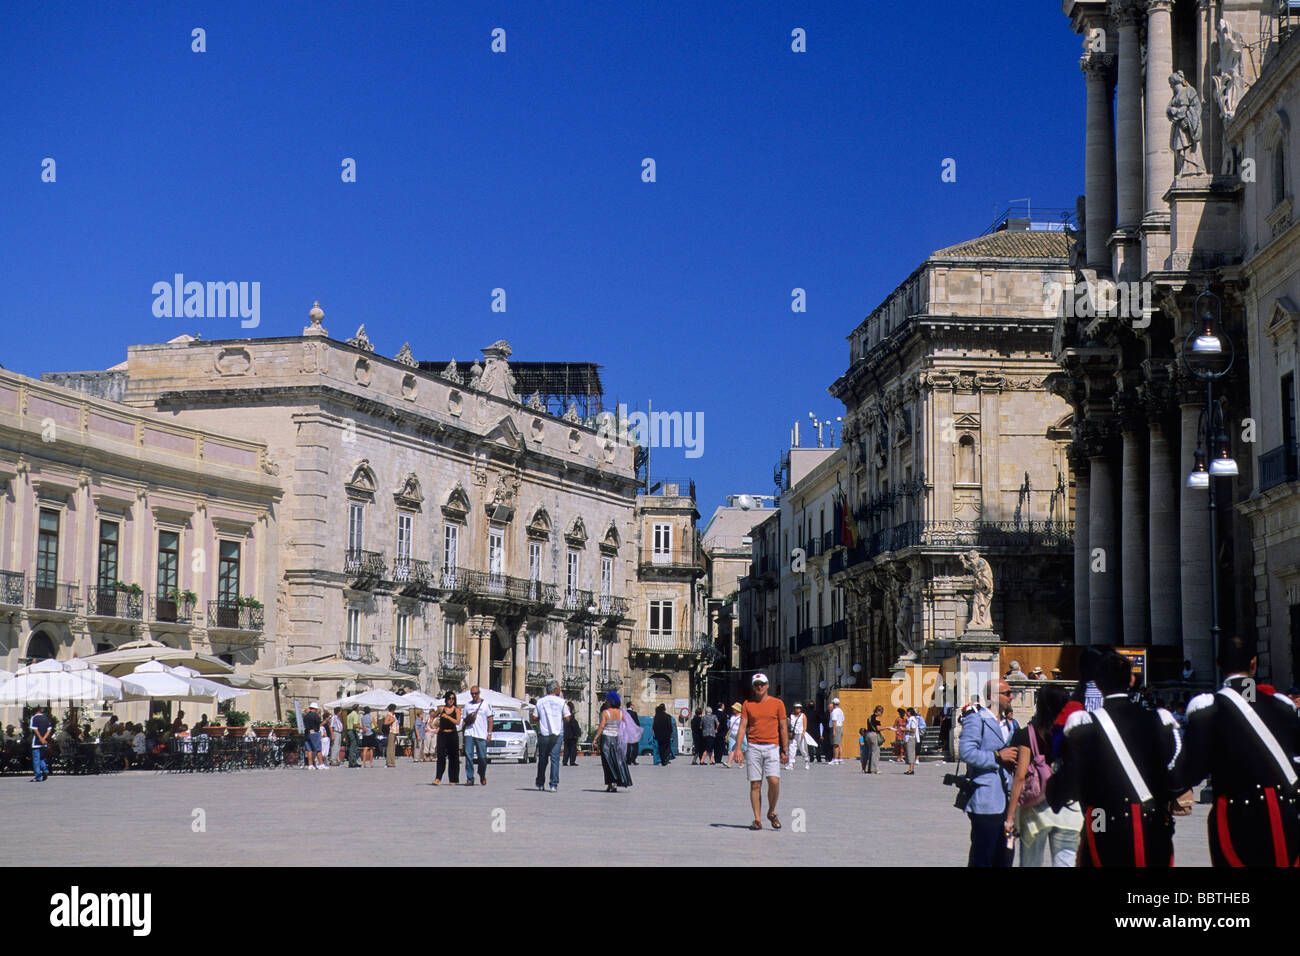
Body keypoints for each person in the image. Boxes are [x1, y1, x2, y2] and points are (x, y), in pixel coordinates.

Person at [1173, 634, 1300, 866]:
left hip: (1237, 820)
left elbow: (1191, 770)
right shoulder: (1283, 707)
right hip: (1287, 815)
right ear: (1254, 662)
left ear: (1218, 664)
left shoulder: (1207, 710)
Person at [1047, 648, 1180, 867]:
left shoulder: (1085, 726)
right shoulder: (1158, 721)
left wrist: (1056, 794)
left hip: (1103, 823)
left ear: (1098, 684)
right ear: (1131, 680)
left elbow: (1069, 778)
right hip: (1153, 826)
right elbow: (1176, 774)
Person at [1003, 686, 1082, 866]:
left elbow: (1020, 776)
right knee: (1066, 863)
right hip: (1069, 808)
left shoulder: (1027, 734)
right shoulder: (1074, 733)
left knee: (1030, 862)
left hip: (1036, 810)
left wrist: (1010, 816)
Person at [959, 679, 1021, 867]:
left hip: (1009, 800)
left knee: (1005, 855)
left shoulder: (1010, 724)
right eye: (1007, 693)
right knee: (983, 856)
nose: (1012, 696)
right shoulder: (977, 719)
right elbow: (966, 752)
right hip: (986, 799)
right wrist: (996, 756)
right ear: (993, 697)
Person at [732, 674, 788, 830]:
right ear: (753, 686)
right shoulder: (747, 704)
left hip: (772, 746)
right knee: (755, 784)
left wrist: (785, 749)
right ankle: (757, 819)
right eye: (756, 684)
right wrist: (738, 749)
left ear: (768, 685)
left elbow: (783, 727)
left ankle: (771, 811)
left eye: (762, 684)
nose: (759, 687)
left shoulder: (778, 704)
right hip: (754, 747)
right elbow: (742, 727)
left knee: (774, 781)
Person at [534, 680, 569, 791]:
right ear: (555, 690)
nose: (560, 690)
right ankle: (553, 784)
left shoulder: (540, 702)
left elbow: (534, 718)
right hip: (557, 733)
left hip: (544, 733)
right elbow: (568, 718)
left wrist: (541, 718)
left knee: (543, 759)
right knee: (555, 759)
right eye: (559, 688)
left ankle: (540, 783)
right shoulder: (561, 702)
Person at [595, 691, 633, 792]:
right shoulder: (621, 713)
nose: (605, 702)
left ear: (610, 701)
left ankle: (610, 783)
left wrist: (595, 738)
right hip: (616, 739)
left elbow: (602, 726)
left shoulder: (605, 713)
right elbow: (627, 725)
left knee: (607, 762)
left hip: (606, 739)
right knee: (617, 761)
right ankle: (615, 782)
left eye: (607, 700)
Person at [462, 686, 494, 786]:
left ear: (479, 693)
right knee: (468, 756)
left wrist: (489, 733)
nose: (474, 695)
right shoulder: (467, 705)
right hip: (469, 733)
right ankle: (470, 778)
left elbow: (491, 719)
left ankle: (482, 774)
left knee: (482, 757)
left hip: (481, 734)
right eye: (472, 693)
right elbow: (464, 719)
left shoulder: (485, 704)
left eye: (476, 693)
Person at [431, 692, 462, 785]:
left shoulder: (456, 710)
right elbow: (433, 715)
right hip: (442, 734)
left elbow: (457, 722)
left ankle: (453, 779)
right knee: (440, 756)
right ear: (446, 699)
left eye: (453, 698)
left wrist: (447, 717)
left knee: (453, 757)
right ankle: (438, 778)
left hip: (452, 734)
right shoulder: (441, 709)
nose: (451, 700)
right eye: (449, 698)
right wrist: (432, 724)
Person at [30, 705, 52, 783]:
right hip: (44, 743)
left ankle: (38, 776)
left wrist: (40, 738)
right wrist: (44, 738)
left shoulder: (34, 718)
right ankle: (45, 770)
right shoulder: (46, 718)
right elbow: (49, 730)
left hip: (36, 742)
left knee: (36, 760)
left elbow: (35, 729)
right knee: (41, 758)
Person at [302, 703, 325, 770]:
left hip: (307, 733)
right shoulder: (315, 716)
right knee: (318, 749)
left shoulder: (306, 716)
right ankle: (321, 764)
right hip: (314, 732)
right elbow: (318, 724)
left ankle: (310, 765)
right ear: (315, 709)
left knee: (309, 750)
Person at [787, 703, 810, 770]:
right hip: (793, 734)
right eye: (796, 708)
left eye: (799, 708)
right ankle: (790, 764)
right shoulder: (791, 716)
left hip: (800, 733)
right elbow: (788, 724)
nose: (798, 709)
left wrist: (803, 732)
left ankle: (806, 762)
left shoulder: (803, 716)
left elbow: (805, 725)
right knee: (792, 748)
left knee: (803, 748)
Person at [904, 707, 923, 774]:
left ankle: (911, 769)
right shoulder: (909, 719)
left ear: (910, 713)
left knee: (911, 753)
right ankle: (910, 768)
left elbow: (913, 730)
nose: (906, 713)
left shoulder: (912, 720)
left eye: (907, 712)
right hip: (909, 738)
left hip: (911, 738)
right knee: (909, 753)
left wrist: (904, 730)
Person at [866, 705, 884, 773]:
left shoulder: (870, 717)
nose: (881, 714)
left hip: (868, 734)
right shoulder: (877, 717)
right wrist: (887, 728)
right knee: (875, 752)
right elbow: (878, 728)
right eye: (881, 712)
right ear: (878, 711)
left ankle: (868, 768)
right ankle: (874, 769)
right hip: (874, 735)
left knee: (870, 752)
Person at [724, 703, 742, 768]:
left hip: (739, 734)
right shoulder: (732, 717)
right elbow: (729, 725)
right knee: (731, 749)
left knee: (739, 749)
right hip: (732, 734)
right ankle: (729, 763)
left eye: (734, 709)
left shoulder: (741, 717)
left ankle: (741, 763)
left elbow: (742, 726)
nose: (733, 710)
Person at [382, 703, 399, 769]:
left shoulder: (393, 715)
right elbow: (385, 723)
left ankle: (392, 761)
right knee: (390, 747)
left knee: (393, 748)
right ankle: (389, 762)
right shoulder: (389, 715)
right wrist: (391, 721)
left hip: (394, 732)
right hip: (391, 732)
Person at [829, 697, 845, 764]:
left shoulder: (834, 711)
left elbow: (834, 721)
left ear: (833, 704)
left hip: (836, 727)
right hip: (840, 727)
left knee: (835, 744)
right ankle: (840, 759)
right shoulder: (841, 710)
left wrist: (834, 730)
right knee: (839, 744)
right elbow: (843, 719)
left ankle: (835, 759)